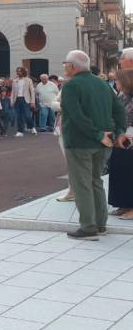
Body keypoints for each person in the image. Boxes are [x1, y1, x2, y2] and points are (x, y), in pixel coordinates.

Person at [59, 50, 127, 240]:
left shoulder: (71, 86)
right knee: (96, 182)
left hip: (80, 143)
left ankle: (88, 228)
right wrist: (119, 132)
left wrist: (97, 134)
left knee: (82, 186)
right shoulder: (103, 84)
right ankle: (101, 224)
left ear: (72, 66)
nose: (64, 66)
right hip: (104, 143)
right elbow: (119, 109)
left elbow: (77, 116)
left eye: (65, 63)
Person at [108, 70, 133, 220]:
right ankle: (122, 204)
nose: (116, 83)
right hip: (120, 137)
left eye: (117, 81)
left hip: (130, 138)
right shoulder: (122, 96)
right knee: (119, 171)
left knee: (130, 174)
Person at [12, 67, 37, 136]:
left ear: (23, 72)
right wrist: (12, 101)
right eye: (17, 71)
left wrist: (33, 102)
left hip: (26, 100)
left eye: (20, 71)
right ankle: (20, 131)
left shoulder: (28, 80)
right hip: (17, 99)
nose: (18, 72)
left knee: (27, 116)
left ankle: (32, 127)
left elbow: (32, 91)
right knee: (18, 116)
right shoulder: (14, 80)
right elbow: (13, 92)